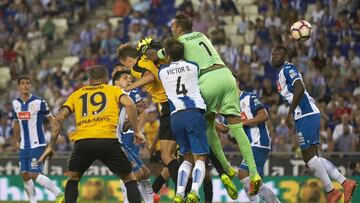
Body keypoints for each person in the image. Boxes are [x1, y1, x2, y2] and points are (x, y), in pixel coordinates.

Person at [138, 14, 262, 197]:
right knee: (237, 128)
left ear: (179, 29)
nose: (171, 30)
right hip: (227, 76)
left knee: (206, 127)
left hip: (206, 80)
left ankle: (226, 168)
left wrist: (145, 48)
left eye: (173, 27)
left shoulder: (178, 44)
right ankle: (255, 173)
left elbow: (155, 56)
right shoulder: (202, 35)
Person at [38, 65, 144, 203]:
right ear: (106, 79)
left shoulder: (77, 94)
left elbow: (58, 118)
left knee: (73, 178)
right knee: (129, 178)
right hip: (107, 140)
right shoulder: (113, 90)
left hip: (83, 143)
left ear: (89, 80)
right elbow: (130, 105)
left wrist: (51, 146)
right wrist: (136, 131)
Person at [271, 45, 357, 203]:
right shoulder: (280, 73)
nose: (274, 54)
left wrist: (289, 113)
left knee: (309, 158)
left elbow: (299, 89)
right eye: (273, 53)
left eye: (279, 52)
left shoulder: (288, 68)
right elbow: (299, 88)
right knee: (314, 157)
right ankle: (346, 183)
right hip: (305, 114)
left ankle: (332, 191)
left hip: (305, 113)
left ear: (286, 56)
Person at [116, 44, 180, 195]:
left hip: (168, 104)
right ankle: (180, 191)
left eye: (124, 64)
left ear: (127, 60)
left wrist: (130, 87)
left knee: (166, 156)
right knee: (176, 157)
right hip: (178, 102)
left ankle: (182, 192)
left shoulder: (136, 66)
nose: (126, 68)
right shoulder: (149, 59)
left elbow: (150, 76)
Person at [158, 38, 209, 203]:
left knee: (186, 157)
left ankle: (179, 194)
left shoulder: (163, 71)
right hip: (193, 113)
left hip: (176, 117)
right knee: (199, 157)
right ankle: (194, 191)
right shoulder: (194, 66)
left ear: (168, 55)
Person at [216, 87, 280, 203]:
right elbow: (225, 128)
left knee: (243, 174)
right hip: (249, 146)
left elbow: (264, 115)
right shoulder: (228, 106)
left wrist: (242, 123)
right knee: (254, 181)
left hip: (259, 141)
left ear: (236, 83)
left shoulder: (249, 97)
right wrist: (209, 120)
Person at [12, 76, 64, 203]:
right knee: (24, 174)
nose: (26, 86)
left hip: (38, 144)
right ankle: (33, 201)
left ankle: (59, 194)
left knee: (34, 174)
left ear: (31, 86)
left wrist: (58, 135)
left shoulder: (39, 102)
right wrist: (15, 141)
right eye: (23, 83)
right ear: (18, 87)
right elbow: (16, 123)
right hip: (24, 146)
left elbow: (52, 120)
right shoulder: (15, 104)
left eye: (28, 83)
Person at [112, 69, 159, 203]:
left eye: (130, 78)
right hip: (113, 141)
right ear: (116, 82)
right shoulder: (113, 96)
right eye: (125, 78)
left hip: (124, 136)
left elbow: (123, 126)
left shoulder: (130, 93)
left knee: (145, 173)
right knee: (133, 174)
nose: (129, 80)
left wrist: (137, 127)